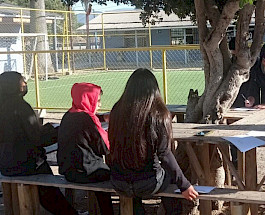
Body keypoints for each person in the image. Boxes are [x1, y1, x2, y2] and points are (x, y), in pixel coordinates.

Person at [108, 68, 198, 214]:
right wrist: (185, 185)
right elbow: (165, 154)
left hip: (119, 181)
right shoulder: (158, 115)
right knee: (170, 178)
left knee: (136, 185)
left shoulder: (117, 111)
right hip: (148, 183)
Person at [0, 71, 78, 215]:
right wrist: (59, 131)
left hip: (5, 164)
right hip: (25, 165)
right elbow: (39, 139)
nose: (25, 83)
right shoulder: (21, 107)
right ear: (13, 86)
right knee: (50, 192)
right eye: (22, 81)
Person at [57, 82, 114, 215]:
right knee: (114, 174)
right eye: (97, 100)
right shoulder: (89, 119)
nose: (99, 104)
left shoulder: (67, 116)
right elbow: (105, 148)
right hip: (87, 172)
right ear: (88, 99)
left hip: (68, 172)